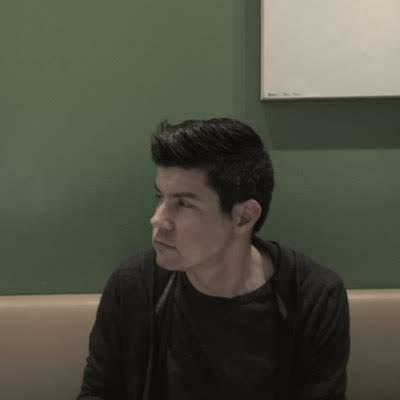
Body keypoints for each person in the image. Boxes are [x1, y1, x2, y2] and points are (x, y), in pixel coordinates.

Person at [77, 118, 350, 400]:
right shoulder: (134, 287)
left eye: (184, 203)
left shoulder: (313, 297)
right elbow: (98, 392)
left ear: (244, 217)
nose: (157, 219)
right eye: (160, 197)